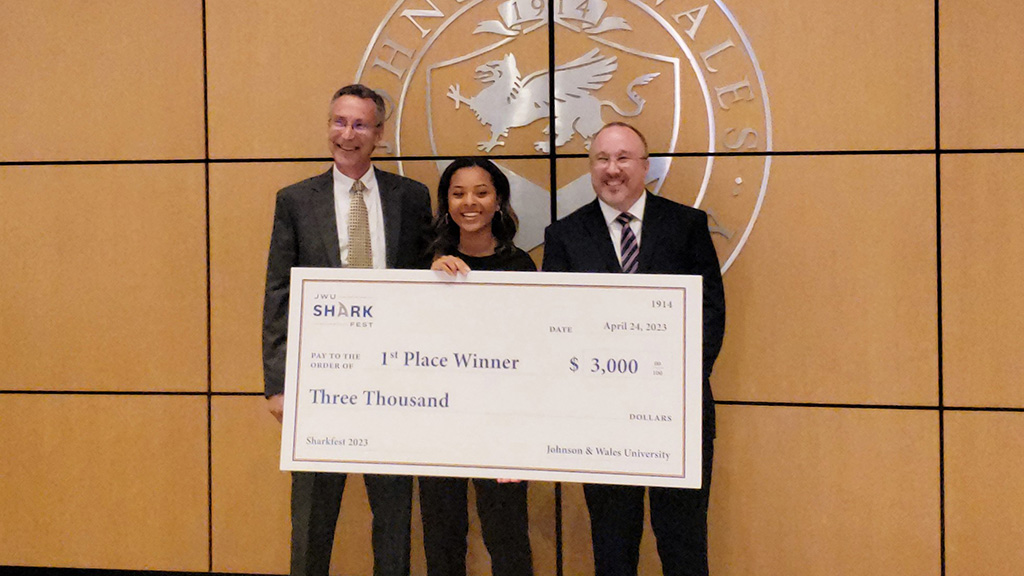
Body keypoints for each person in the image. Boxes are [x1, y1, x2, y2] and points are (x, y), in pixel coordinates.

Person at [262, 84, 433, 576]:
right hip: (320, 382)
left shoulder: (411, 197)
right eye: (339, 122)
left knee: (394, 514)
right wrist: (278, 384)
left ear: (379, 134)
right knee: (313, 515)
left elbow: (425, 283)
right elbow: (278, 292)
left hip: (393, 380)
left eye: (360, 125)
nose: (347, 134)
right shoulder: (295, 200)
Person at [541, 122, 725, 576]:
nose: (612, 169)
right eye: (602, 159)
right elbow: (553, 324)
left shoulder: (687, 225)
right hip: (600, 421)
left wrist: (670, 388)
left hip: (677, 416)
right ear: (591, 168)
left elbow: (711, 315)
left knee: (683, 543)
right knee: (613, 546)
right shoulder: (564, 235)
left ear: (645, 166)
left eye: (624, 158)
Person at [420, 157, 535, 576]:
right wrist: (430, 279)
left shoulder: (520, 266)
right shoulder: (425, 265)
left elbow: (531, 356)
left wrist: (518, 436)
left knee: (508, 541)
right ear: (445, 202)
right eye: (458, 193)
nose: (470, 202)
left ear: (499, 200)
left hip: (500, 427)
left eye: (482, 192)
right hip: (438, 424)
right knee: (442, 540)